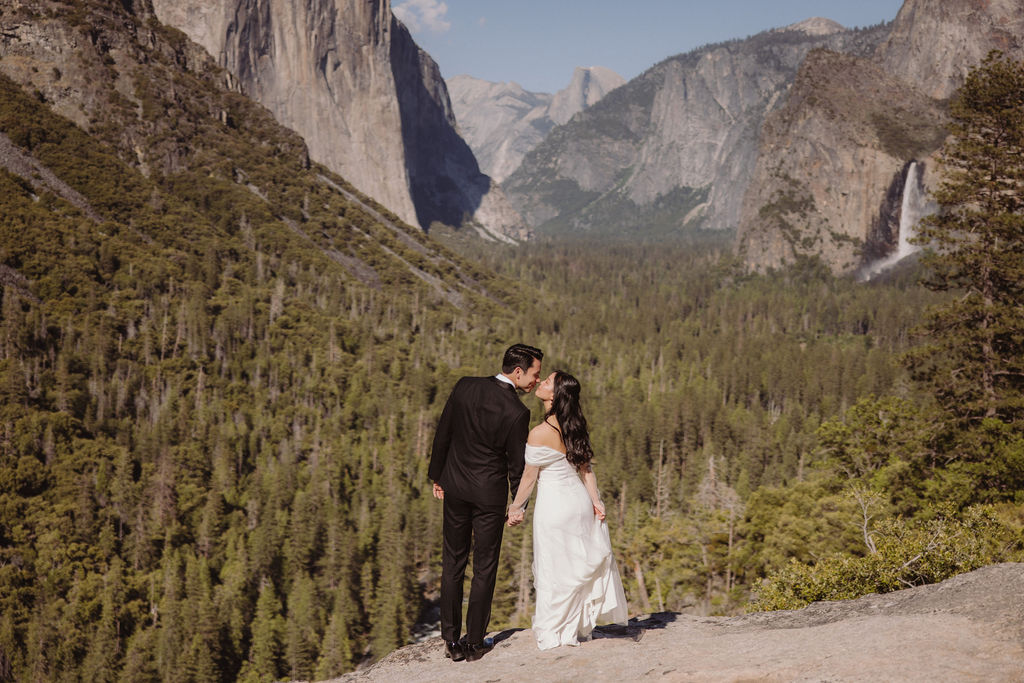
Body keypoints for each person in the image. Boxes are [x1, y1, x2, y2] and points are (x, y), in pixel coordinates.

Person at [429, 343, 544, 662]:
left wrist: (437, 475)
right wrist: (517, 504)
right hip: (488, 496)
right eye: (535, 374)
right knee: (484, 566)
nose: (537, 380)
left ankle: (450, 640)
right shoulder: (517, 412)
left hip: (455, 487)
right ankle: (475, 642)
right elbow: (515, 465)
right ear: (518, 371)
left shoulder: (465, 385)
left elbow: (444, 432)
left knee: (452, 561)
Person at [507, 370, 628, 649]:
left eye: (547, 382)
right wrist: (596, 501)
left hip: (555, 507)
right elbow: (586, 470)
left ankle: (554, 630)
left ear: (554, 395)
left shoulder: (539, 433)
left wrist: (516, 508)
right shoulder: (574, 426)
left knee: (553, 567)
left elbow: (529, 478)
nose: (541, 382)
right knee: (574, 565)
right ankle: (573, 626)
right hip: (579, 503)